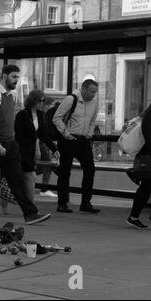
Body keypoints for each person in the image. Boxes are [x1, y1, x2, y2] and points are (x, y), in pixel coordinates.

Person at [0, 65, 51, 225]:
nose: (16, 80)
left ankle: (30, 214)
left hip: (10, 145)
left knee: (17, 180)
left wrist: (12, 143)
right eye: (13, 77)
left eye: (17, 78)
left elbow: (8, 122)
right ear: (4, 76)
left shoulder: (10, 96)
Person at [53, 79, 100, 214]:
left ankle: (86, 203)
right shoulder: (71, 99)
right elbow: (57, 118)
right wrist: (66, 134)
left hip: (83, 140)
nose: (93, 95)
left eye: (95, 92)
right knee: (65, 171)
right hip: (68, 140)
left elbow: (92, 120)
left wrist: (89, 133)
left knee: (90, 169)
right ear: (83, 89)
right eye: (91, 91)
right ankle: (62, 203)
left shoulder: (94, 103)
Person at [14, 90, 59, 204]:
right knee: (31, 176)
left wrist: (54, 149)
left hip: (32, 151)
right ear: (33, 100)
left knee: (26, 178)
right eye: (40, 100)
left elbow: (43, 134)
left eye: (43, 101)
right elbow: (18, 135)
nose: (42, 103)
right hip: (22, 151)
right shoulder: (22, 114)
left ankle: (27, 204)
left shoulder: (40, 114)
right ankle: (31, 206)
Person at [126, 103, 151, 230]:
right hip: (148, 152)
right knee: (147, 185)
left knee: (147, 186)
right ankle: (133, 217)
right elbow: (146, 125)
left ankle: (134, 217)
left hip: (148, 151)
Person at [37, 97, 58, 197]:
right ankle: (44, 189)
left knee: (42, 166)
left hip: (42, 143)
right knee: (48, 164)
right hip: (41, 143)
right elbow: (43, 133)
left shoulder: (42, 114)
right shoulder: (43, 115)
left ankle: (42, 187)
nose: (53, 107)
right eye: (52, 105)